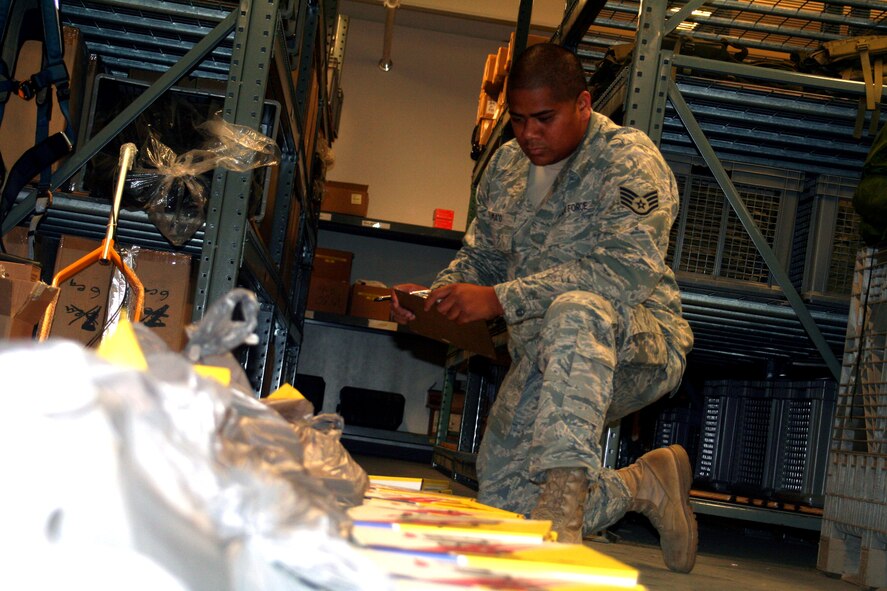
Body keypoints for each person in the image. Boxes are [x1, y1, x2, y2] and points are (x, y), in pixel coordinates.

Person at [390, 43, 697, 573]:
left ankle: (565, 509)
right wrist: (435, 299)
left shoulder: (627, 158)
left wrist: (499, 299)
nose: (529, 135)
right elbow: (481, 257)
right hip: (547, 361)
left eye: (544, 119)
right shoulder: (507, 167)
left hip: (635, 345)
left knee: (577, 309)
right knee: (503, 507)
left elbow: (624, 271)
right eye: (517, 121)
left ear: (583, 104)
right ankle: (641, 484)